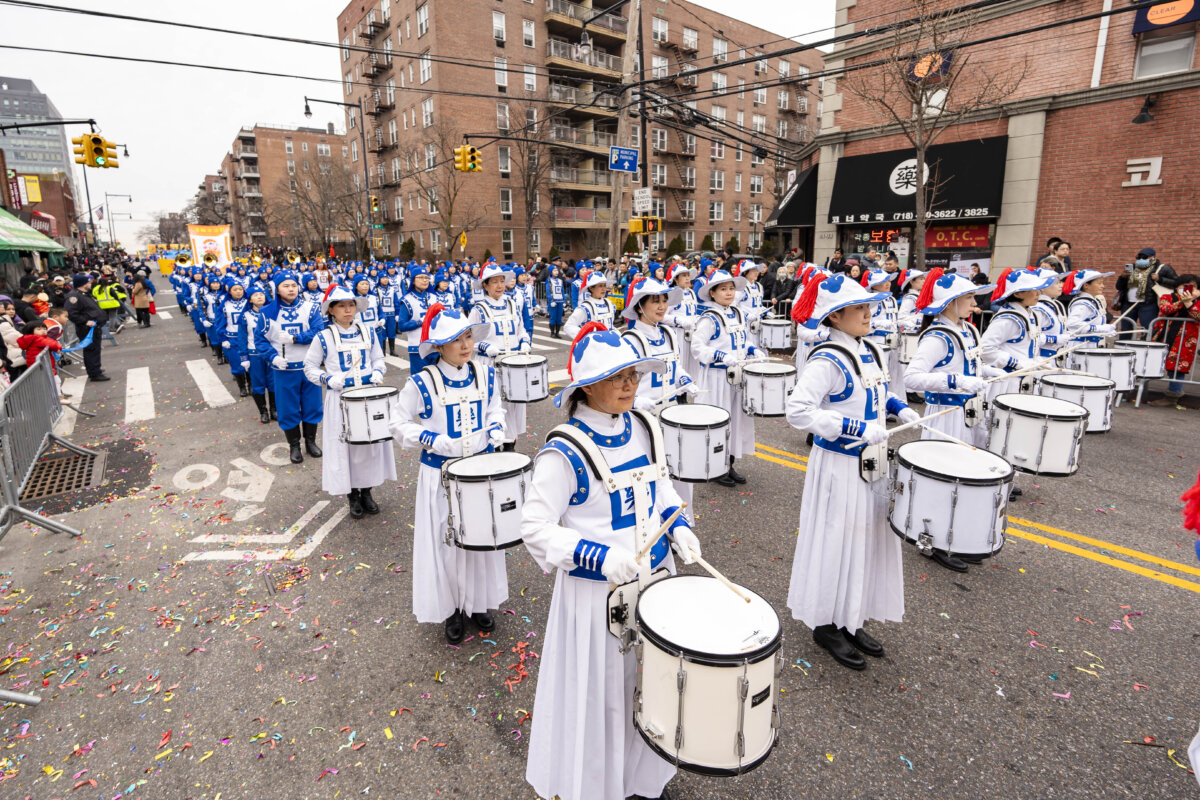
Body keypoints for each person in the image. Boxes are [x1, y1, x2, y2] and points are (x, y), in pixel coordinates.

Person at [520, 324, 701, 800]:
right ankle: (603, 786)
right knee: (604, 697)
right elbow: (535, 527)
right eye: (616, 376)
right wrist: (597, 557)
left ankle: (643, 778)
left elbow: (659, 485)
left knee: (653, 685)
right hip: (597, 597)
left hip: (655, 584)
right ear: (586, 385)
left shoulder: (643, 425)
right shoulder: (564, 450)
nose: (629, 384)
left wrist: (678, 524)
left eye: (633, 374)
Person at [786, 273, 918, 670]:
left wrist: (899, 407)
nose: (867, 313)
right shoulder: (826, 359)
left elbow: (879, 390)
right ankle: (827, 622)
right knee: (836, 539)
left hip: (872, 462)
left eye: (868, 306)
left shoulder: (870, 350)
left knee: (866, 538)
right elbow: (798, 411)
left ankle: (850, 615)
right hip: (840, 465)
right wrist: (857, 429)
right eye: (859, 308)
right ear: (836, 316)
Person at [392, 303, 508, 643]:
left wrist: (497, 426)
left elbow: (494, 408)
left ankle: (477, 603)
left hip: (479, 470)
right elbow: (397, 423)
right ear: (439, 346)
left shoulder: (486, 374)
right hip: (440, 475)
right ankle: (453, 608)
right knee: (448, 541)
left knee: (481, 539)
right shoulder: (422, 382)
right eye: (456, 339)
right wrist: (430, 438)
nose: (465, 345)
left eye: (468, 336)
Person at [903, 269, 1005, 571]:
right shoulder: (937, 336)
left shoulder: (967, 330)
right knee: (943, 481)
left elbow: (970, 367)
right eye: (969, 297)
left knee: (967, 479)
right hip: (945, 416)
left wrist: (987, 373)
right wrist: (956, 380)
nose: (975, 302)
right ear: (950, 303)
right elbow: (913, 378)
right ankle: (932, 540)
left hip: (969, 413)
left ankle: (957, 537)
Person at [303, 285, 396, 518]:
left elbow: (378, 358)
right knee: (346, 447)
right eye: (342, 306)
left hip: (368, 396)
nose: (348, 310)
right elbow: (310, 368)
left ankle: (367, 490)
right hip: (341, 399)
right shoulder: (323, 337)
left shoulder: (368, 331)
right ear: (331, 310)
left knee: (369, 446)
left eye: (351, 305)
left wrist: (378, 372)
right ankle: (352, 494)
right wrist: (328, 378)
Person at [621, 277, 698, 519]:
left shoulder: (668, 333)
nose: (662, 306)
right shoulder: (629, 341)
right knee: (651, 475)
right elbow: (618, 386)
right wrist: (635, 403)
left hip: (671, 413)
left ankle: (679, 523)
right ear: (639, 306)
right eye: (655, 301)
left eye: (664, 300)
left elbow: (676, 366)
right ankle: (654, 525)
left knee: (678, 470)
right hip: (642, 419)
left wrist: (685, 380)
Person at [690, 269, 766, 488]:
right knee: (718, 421)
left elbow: (743, 341)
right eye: (723, 289)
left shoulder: (738, 313)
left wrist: (753, 349)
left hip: (737, 377)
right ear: (712, 293)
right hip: (717, 377)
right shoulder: (709, 318)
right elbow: (697, 347)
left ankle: (729, 463)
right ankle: (715, 467)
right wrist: (719, 355)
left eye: (731, 288)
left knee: (735, 421)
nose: (729, 292)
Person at [263, 270, 325, 464]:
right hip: (284, 370)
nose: (290, 289)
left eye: (293, 285)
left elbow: (318, 331)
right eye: (285, 286)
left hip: (308, 367)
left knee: (312, 406)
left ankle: (311, 441)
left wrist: (297, 338)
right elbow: (260, 341)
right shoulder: (267, 312)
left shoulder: (311, 307)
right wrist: (273, 358)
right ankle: (294, 445)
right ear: (277, 289)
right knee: (288, 409)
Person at [469, 263, 531, 450]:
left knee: (514, 405)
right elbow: (468, 339)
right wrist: (483, 346)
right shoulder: (478, 309)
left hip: (513, 363)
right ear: (485, 286)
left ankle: (510, 444)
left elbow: (521, 330)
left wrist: (525, 341)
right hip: (489, 363)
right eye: (494, 282)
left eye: (502, 281)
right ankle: (494, 443)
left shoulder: (512, 304)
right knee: (494, 404)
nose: (499, 285)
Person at [980, 268, 1055, 399]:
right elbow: (984, 348)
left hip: (1024, 381)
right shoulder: (1007, 319)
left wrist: (1037, 361)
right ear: (1018, 294)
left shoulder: (1030, 313)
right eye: (1033, 289)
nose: (1038, 293)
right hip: (1007, 383)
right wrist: (1016, 363)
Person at [1149, 274, 1200, 407]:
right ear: (1177, 286)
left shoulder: (1198, 300)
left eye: (1192, 286)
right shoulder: (1168, 297)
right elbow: (1166, 309)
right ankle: (1140, 389)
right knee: (1151, 363)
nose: (1187, 289)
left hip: (1185, 339)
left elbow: (1198, 316)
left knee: (1178, 367)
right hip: (1163, 335)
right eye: (1184, 286)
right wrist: (1183, 301)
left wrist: (1190, 302)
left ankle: (1172, 397)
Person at [862, 269, 906, 403]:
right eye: (883, 281)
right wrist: (877, 324)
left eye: (888, 280)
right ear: (874, 285)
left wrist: (903, 322)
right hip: (877, 342)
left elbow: (895, 319)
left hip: (893, 342)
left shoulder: (891, 299)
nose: (888, 283)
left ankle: (892, 405)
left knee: (894, 375)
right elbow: (863, 324)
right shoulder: (872, 300)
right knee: (880, 375)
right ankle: (879, 405)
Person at [238, 286, 276, 424]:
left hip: (271, 353)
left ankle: (274, 409)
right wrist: (244, 357)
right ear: (250, 299)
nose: (260, 296)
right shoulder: (245, 316)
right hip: (254, 355)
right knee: (258, 384)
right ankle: (263, 411)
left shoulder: (272, 313)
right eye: (256, 295)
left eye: (262, 294)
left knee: (273, 383)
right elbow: (242, 338)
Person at [65, 274, 109, 382]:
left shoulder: (84, 294)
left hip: (94, 326)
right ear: (83, 284)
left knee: (95, 349)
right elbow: (71, 313)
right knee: (91, 350)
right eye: (88, 283)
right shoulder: (74, 296)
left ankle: (95, 369)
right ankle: (94, 373)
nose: (90, 284)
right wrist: (85, 321)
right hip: (87, 328)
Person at [396, 265, 437, 373]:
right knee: (421, 381)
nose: (425, 280)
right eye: (421, 277)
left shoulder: (434, 297)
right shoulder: (407, 300)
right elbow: (401, 326)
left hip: (436, 346)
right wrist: (420, 322)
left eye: (426, 277)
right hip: (417, 349)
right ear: (413, 281)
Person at [214, 279, 250, 397]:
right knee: (236, 364)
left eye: (240, 289)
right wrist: (224, 338)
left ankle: (251, 384)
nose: (238, 292)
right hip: (232, 339)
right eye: (235, 289)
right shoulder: (224, 305)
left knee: (250, 363)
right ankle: (242, 387)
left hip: (248, 338)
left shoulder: (248, 302)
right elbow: (220, 324)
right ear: (229, 291)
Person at [1063, 269, 1117, 347]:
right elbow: (1072, 324)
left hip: (1090, 347)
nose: (1103, 286)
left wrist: (1106, 331)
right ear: (1086, 285)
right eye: (1099, 283)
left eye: (1102, 283)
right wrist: (1100, 328)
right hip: (1081, 348)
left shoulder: (1092, 302)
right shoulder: (1082, 304)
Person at [1029, 268, 1069, 359]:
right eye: (1056, 283)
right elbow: (1032, 337)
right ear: (1042, 287)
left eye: (1060, 282)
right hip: (1042, 359)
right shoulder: (1037, 308)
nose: (1061, 286)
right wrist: (1056, 339)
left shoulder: (1052, 305)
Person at [563, 271, 616, 338]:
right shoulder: (585, 308)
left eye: (604, 285)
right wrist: (587, 338)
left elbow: (610, 326)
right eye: (600, 286)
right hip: (593, 347)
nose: (604, 289)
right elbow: (568, 326)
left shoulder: (609, 304)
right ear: (591, 288)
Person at [545, 266, 566, 338]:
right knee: (553, 317)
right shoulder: (549, 280)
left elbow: (562, 291)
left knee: (559, 318)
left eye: (557, 270)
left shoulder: (560, 281)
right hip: (553, 302)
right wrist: (551, 300)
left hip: (560, 301)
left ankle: (557, 332)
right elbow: (548, 292)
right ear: (551, 272)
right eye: (554, 270)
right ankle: (552, 332)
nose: (556, 272)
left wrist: (564, 300)